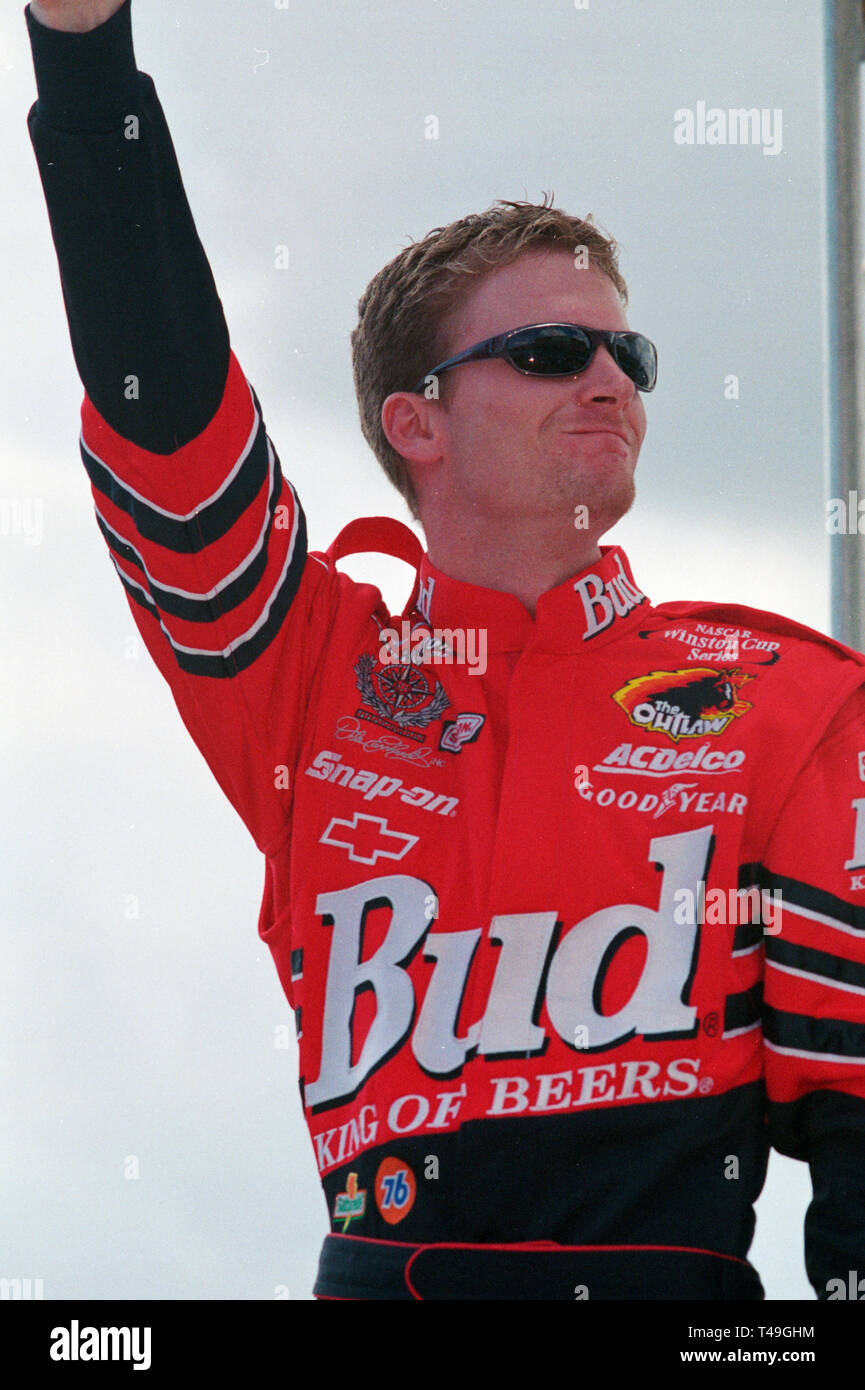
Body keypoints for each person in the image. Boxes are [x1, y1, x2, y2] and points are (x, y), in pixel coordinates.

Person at [26, 0, 865, 1302]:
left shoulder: (787, 700)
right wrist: (83, 58)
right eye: (546, 351)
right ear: (413, 423)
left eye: (623, 351)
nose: (605, 380)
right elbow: (169, 428)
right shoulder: (306, 676)